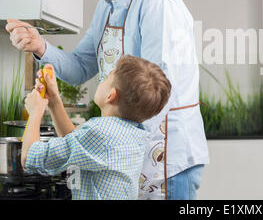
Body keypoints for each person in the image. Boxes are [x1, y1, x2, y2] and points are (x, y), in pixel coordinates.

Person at [6, 0, 209, 200]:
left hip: (167, 159)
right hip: (130, 157)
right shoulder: (107, 8)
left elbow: (159, 93)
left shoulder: (157, 2)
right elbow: (79, 67)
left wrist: (106, 146)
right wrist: (40, 46)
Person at [21, 55, 172, 200]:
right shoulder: (134, 132)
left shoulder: (101, 133)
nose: (103, 80)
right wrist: (54, 100)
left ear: (110, 96)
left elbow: (30, 158)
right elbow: (76, 142)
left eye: (107, 78)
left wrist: (36, 111)